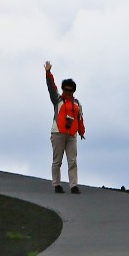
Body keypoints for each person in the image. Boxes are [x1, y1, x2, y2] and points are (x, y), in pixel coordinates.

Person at [44, 61, 85, 194]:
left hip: (71, 135)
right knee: (57, 160)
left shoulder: (77, 103)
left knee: (72, 161)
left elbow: (80, 118)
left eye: (70, 90)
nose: (67, 92)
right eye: (65, 89)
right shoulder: (58, 100)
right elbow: (51, 87)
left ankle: (74, 185)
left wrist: (81, 131)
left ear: (73, 90)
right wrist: (48, 73)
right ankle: (57, 184)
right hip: (58, 133)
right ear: (63, 89)